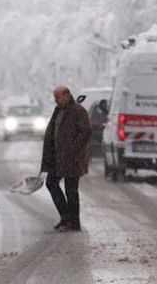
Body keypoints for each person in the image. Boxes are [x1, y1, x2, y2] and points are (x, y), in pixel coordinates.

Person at [40, 86, 92, 232]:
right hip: (58, 158)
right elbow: (52, 132)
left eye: (57, 97)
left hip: (73, 159)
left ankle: (74, 222)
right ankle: (66, 218)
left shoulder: (78, 111)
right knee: (51, 183)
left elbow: (86, 132)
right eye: (54, 97)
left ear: (67, 96)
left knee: (71, 190)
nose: (55, 100)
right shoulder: (59, 110)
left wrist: (73, 149)